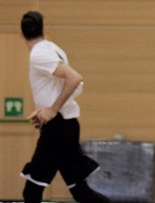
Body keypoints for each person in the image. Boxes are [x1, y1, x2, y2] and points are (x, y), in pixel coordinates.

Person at [19, 11, 110, 203]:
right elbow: (66, 86)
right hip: (66, 126)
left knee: (31, 192)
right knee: (81, 192)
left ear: (21, 34)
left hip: (57, 128)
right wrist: (46, 109)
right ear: (44, 30)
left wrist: (52, 110)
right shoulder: (53, 48)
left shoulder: (39, 54)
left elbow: (75, 78)